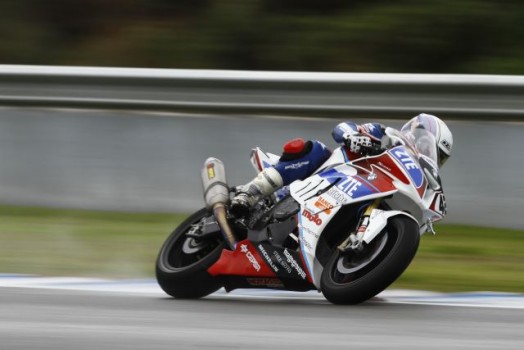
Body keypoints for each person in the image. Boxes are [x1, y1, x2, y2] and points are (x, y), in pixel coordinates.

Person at [230, 113, 453, 217]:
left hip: (343, 200)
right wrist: (354, 136)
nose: (429, 154)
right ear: (416, 132)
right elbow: (342, 127)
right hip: (321, 176)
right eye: (428, 145)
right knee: (314, 149)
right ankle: (248, 194)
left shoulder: (407, 175)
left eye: (439, 157)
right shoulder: (384, 136)